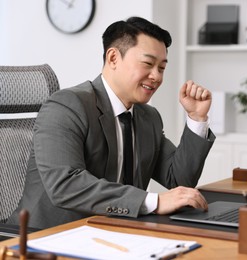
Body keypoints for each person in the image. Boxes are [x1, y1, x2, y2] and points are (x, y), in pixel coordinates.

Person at [7, 16, 215, 229]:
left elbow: (179, 181)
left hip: (115, 233)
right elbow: (65, 184)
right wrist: (153, 201)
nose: (156, 76)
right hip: (47, 238)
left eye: (161, 68)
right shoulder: (66, 106)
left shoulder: (148, 117)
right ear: (113, 58)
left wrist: (197, 118)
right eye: (148, 64)